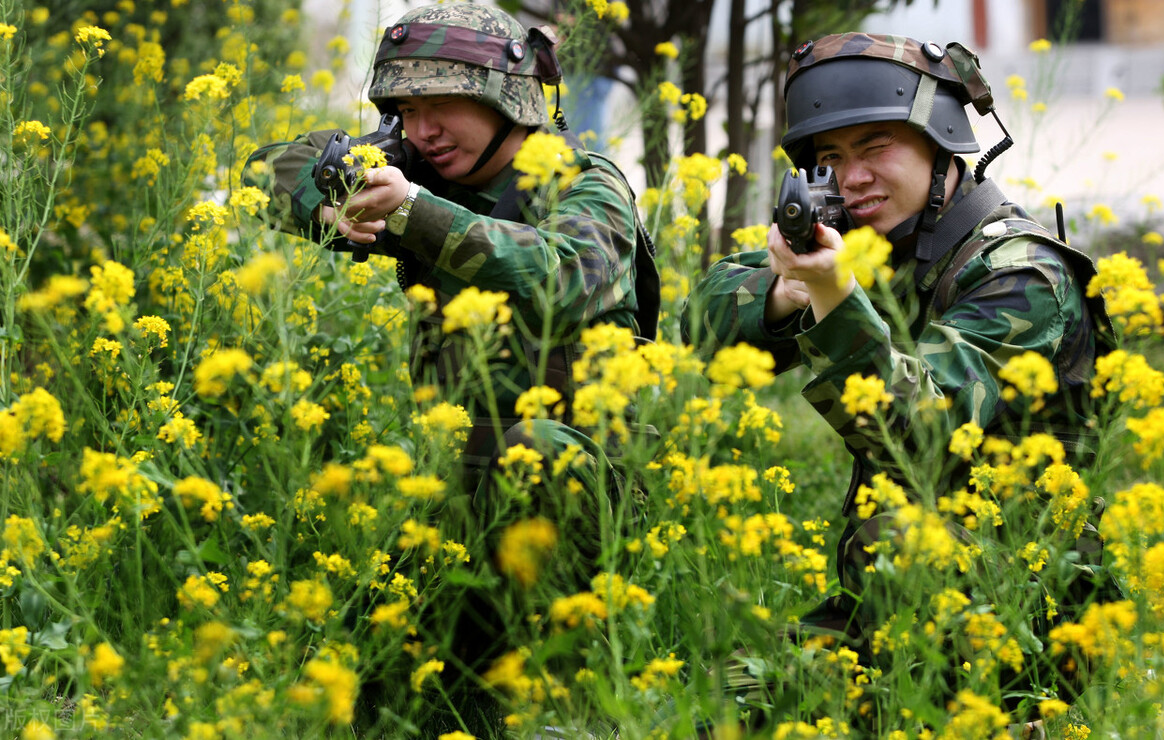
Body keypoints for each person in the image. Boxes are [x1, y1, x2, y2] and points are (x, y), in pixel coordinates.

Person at [242, 3, 658, 734]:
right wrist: (326, 202)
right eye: (407, 111)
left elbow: (563, 275)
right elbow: (263, 170)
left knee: (534, 454)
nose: (423, 130)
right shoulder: (412, 164)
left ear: (509, 101)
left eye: (442, 106)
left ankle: (565, 693)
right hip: (460, 490)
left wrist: (413, 212)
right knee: (366, 697)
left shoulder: (583, 183)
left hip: (581, 492)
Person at [683, 33, 1118, 726]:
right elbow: (700, 321)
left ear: (941, 142)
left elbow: (920, 428)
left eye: (875, 146)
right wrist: (788, 293)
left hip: (1021, 611)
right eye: (830, 158)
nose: (852, 178)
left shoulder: (1023, 274)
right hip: (891, 599)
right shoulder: (882, 244)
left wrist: (835, 298)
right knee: (725, 710)